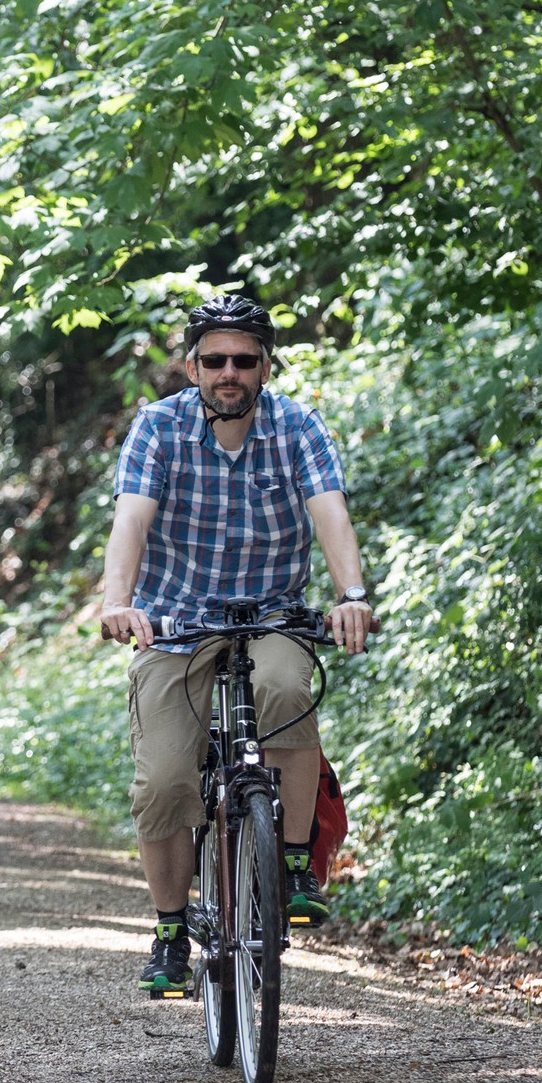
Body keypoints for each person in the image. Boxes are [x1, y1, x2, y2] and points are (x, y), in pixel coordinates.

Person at [96, 294, 375, 996]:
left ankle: (291, 865)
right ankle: (168, 931)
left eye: (244, 361)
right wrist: (116, 599)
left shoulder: (296, 426)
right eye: (215, 360)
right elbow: (130, 522)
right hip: (174, 623)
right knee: (164, 779)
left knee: (285, 688)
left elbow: (330, 513)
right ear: (192, 367)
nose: (229, 373)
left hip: (272, 613)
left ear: (265, 367)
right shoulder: (158, 429)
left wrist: (351, 595)